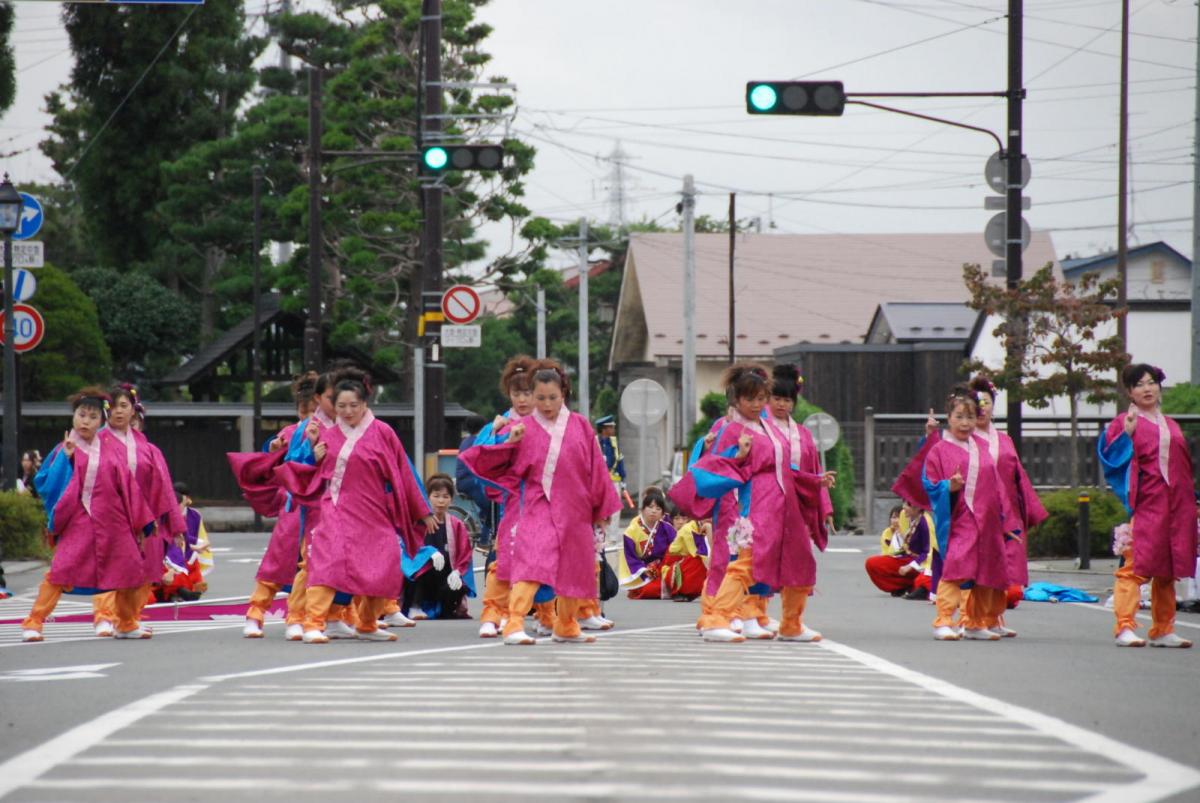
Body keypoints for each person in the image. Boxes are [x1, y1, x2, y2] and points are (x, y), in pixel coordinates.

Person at [460, 359, 621, 645]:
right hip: (537, 504)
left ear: (563, 394)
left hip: (575, 506)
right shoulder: (521, 426)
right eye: (541, 398)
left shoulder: (580, 425)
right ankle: (514, 622)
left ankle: (566, 624)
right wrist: (509, 442)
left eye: (553, 397)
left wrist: (601, 507)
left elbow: (596, 468)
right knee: (533, 562)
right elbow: (493, 463)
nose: (546, 404)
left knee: (575, 565)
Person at [671, 363, 834, 644]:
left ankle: (792, 623)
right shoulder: (731, 430)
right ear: (736, 399)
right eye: (750, 399)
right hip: (755, 504)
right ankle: (716, 618)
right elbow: (714, 466)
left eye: (761, 398)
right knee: (747, 562)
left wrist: (814, 481)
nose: (757, 404)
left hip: (785, 505)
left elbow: (786, 467)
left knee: (799, 560)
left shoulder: (769, 428)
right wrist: (739, 456)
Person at [276, 371, 436, 644]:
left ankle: (367, 623)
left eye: (353, 405)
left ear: (364, 404)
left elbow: (403, 471)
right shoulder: (323, 433)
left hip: (373, 510)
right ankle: (313, 621)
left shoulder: (383, 432)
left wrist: (422, 509)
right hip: (335, 508)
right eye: (341, 406)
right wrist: (311, 453)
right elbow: (297, 470)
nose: (348, 411)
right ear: (333, 406)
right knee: (329, 563)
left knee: (385, 562)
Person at [22, 388, 155, 642]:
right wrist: (67, 459)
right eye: (81, 415)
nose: (86, 421)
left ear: (102, 421)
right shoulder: (64, 448)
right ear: (73, 417)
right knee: (61, 571)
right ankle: (34, 622)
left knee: (130, 569)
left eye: (93, 417)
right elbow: (45, 483)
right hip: (79, 519)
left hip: (114, 520)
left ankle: (126, 623)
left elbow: (128, 485)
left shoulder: (110, 448)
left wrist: (142, 521)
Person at [1098, 363, 1197, 648]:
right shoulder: (1125, 421)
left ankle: (1164, 628)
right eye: (1139, 384)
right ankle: (1124, 625)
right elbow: (1111, 459)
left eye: (1151, 382)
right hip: (1148, 503)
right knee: (1136, 564)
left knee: (1167, 569)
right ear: (1129, 392)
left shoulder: (1171, 424)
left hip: (1177, 505)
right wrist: (1127, 435)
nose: (1147, 389)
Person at [229, 372, 325, 639]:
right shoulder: (290, 432)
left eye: (313, 411)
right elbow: (274, 462)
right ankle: (255, 612)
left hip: (320, 505)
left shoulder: (330, 430)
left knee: (313, 563)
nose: (309, 416)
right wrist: (272, 448)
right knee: (278, 559)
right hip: (293, 503)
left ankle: (302, 615)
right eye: (303, 411)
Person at [921, 387, 1014, 642]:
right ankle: (943, 620)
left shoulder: (981, 446)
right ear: (949, 418)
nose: (965, 423)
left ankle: (975, 622)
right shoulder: (939, 450)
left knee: (987, 571)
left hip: (988, 518)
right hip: (961, 518)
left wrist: (1005, 517)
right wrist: (947, 487)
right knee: (956, 567)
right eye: (959, 417)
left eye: (970, 417)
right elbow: (929, 483)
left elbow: (997, 484)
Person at [100, 384, 187, 633]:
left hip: (145, 517)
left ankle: (127, 620)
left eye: (124, 406)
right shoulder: (97, 442)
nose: (118, 411)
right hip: (111, 516)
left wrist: (176, 526)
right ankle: (106, 616)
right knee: (116, 569)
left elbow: (164, 488)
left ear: (133, 411)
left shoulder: (147, 448)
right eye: (113, 406)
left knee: (142, 571)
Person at [464, 355, 537, 639]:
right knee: (505, 558)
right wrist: (498, 435)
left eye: (527, 392)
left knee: (542, 560)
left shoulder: (547, 423)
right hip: (513, 503)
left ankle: (544, 614)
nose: (522, 399)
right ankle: (493, 613)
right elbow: (476, 458)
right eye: (517, 393)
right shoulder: (500, 424)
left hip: (542, 503)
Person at [402, 473, 476, 619]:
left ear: (451, 499)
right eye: (436, 496)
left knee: (457, 584)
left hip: (445, 575)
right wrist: (429, 553)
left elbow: (465, 555)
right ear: (427, 498)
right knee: (423, 565)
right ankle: (415, 606)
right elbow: (408, 551)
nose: (441, 501)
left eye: (445, 496)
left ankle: (447, 609)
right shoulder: (417, 523)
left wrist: (458, 572)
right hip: (422, 579)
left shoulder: (457, 525)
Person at [865, 501, 934, 600]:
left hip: (922, 563)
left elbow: (928, 552)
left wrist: (909, 566)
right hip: (906, 558)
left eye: (907, 505)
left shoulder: (925, 522)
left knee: (925, 581)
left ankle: (914, 587)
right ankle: (903, 587)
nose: (903, 507)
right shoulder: (907, 518)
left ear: (918, 507)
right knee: (872, 563)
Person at [618, 487, 677, 599]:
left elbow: (675, 550)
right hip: (643, 571)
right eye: (650, 507)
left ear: (663, 513)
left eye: (658, 508)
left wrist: (664, 567)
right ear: (643, 509)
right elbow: (629, 556)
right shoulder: (631, 531)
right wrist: (644, 570)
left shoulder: (667, 528)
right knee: (648, 589)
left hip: (664, 568)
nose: (653, 511)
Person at [158, 482, 212, 602]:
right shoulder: (162, 517)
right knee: (171, 566)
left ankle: (179, 590)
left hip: (181, 550)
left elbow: (185, 537)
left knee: (190, 562)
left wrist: (198, 544)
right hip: (163, 551)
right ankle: (174, 591)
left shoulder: (193, 515)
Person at [661, 502, 709, 601]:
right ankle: (683, 590)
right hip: (673, 565)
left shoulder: (711, 526)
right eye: (707, 514)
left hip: (686, 562)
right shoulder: (688, 530)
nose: (710, 517)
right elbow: (699, 554)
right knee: (698, 561)